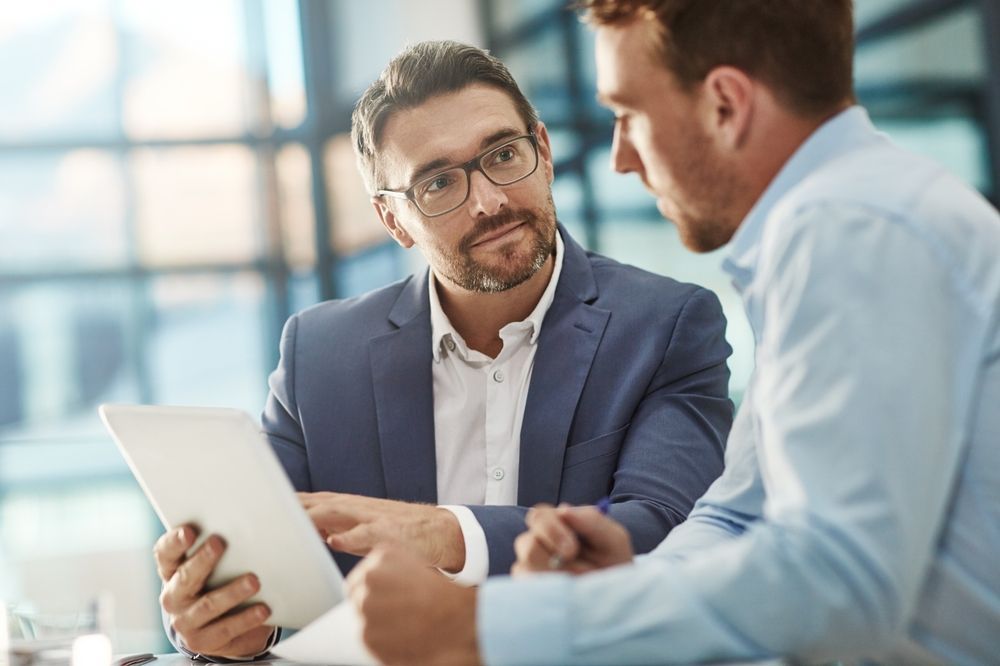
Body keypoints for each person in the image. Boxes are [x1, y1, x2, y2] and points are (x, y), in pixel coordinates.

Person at [344, 2, 1000, 664]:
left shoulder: (850, 229)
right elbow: (739, 513)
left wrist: (481, 624)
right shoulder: (834, 224)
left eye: (629, 115)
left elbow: (837, 584)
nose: (622, 158)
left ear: (725, 104)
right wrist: (627, 577)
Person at [151, 40, 734, 661]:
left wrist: (442, 532)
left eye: (504, 155)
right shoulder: (318, 355)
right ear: (393, 220)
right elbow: (263, 557)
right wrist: (219, 618)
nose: (490, 201)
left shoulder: (668, 325)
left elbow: (663, 527)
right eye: (438, 182)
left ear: (544, 152)